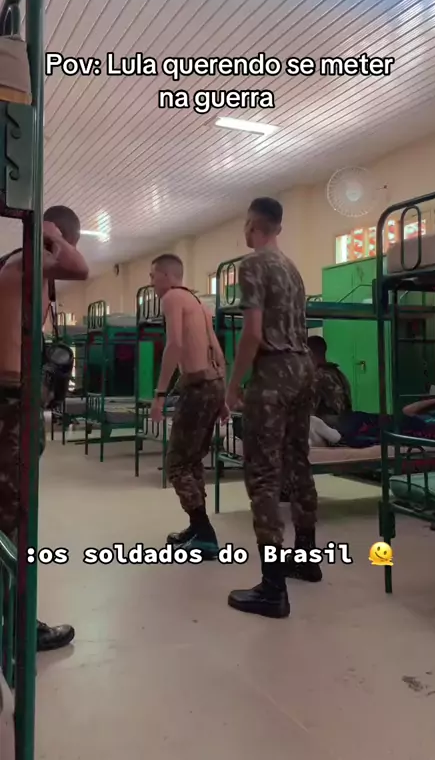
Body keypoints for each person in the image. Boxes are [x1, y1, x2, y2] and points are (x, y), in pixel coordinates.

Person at [224, 197, 320, 620]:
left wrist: (233, 386)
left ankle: (272, 587)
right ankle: (307, 558)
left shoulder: (252, 264)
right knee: (298, 462)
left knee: (263, 473)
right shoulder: (292, 269)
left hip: (274, 371)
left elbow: (252, 333)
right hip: (304, 369)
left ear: (252, 226)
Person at [0, 205, 89, 651]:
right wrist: (50, 233)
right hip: (11, 402)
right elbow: (80, 267)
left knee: (9, 514)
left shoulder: (14, 267)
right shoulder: (26, 261)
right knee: (14, 519)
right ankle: (19, 628)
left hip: (13, 398)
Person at [149, 254, 226, 557]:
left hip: (197, 386)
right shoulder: (199, 303)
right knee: (192, 461)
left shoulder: (171, 298)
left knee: (177, 464)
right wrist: (221, 395)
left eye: (154, 275)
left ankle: (204, 533)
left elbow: (175, 345)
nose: (152, 282)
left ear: (168, 276)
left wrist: (160, 393)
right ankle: (197, 528)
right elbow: (217, 350)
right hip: (212, 382)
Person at [308, 336, 352, 421]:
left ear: (309, 353)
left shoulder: (318, 377)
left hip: (327, 426)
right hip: (345, 424)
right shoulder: (337, 373)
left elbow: (308, 412)